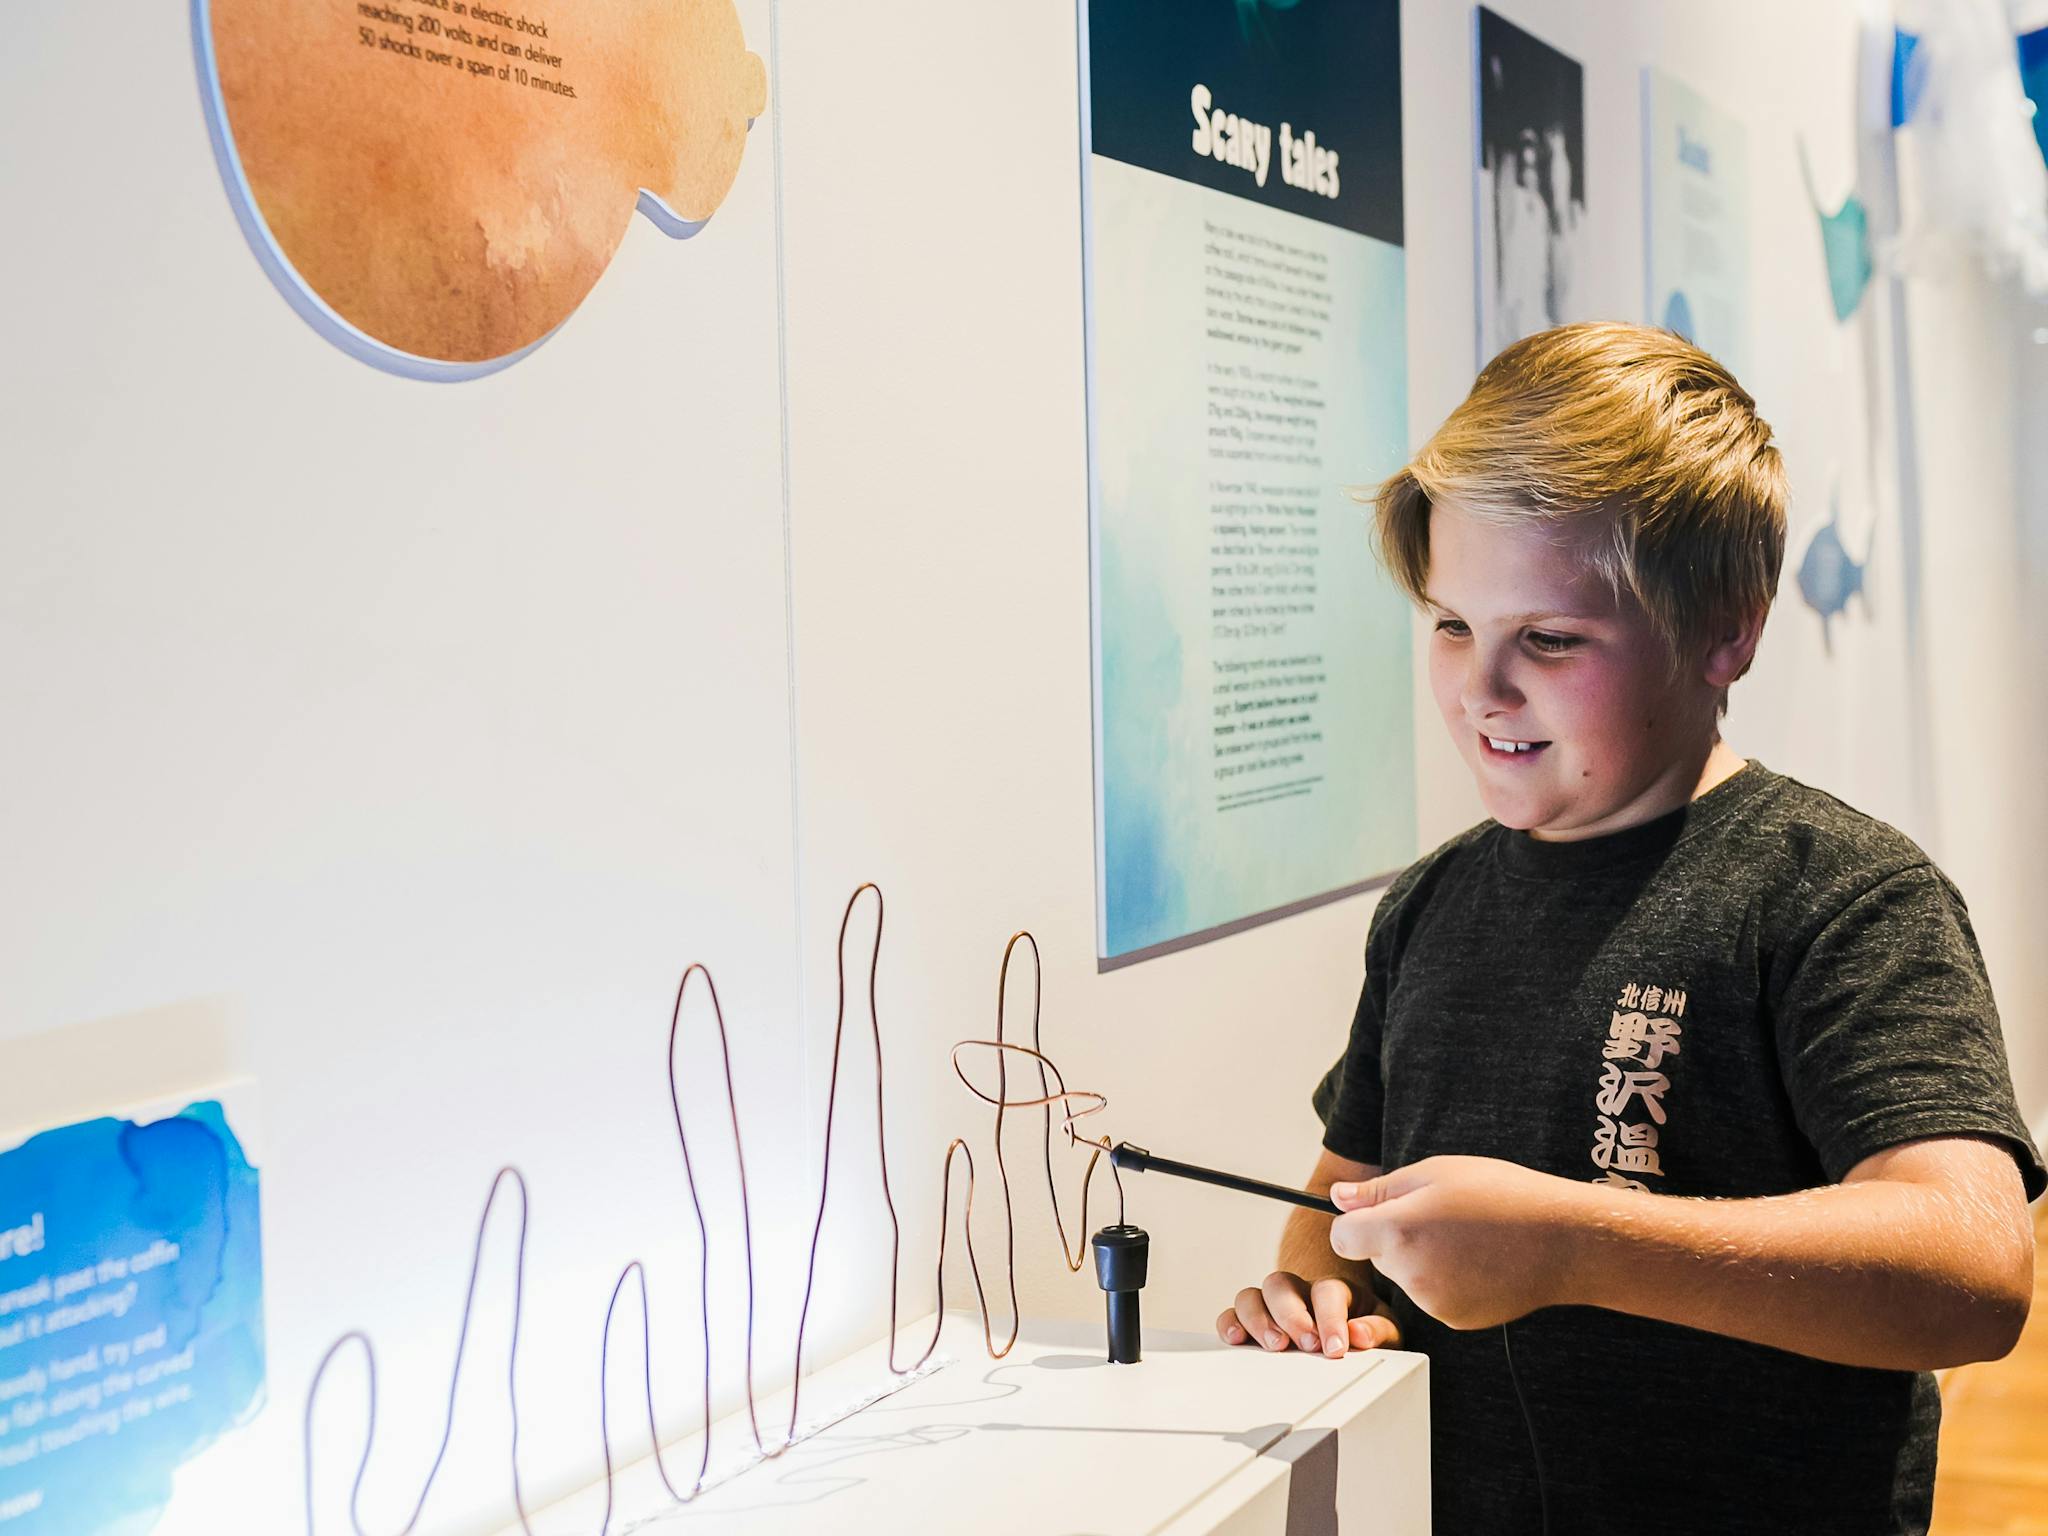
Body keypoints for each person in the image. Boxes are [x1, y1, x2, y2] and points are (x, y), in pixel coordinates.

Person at [1216, 322, 2043, 1535]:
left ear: (1726, 633)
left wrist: (1571, 1246)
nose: (1478, 689)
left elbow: (1972, 1271)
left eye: (1548, 639)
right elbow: (1344, 1202)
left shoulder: (1839, 893)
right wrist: (1306, 1297)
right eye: (1451, 626)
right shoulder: (1428, 906)